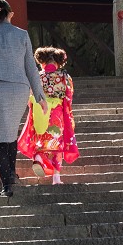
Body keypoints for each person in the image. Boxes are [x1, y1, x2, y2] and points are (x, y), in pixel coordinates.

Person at [0, 0, 48, 197]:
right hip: (20, 88)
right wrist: (40, 96)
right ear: (10, 13)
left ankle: (7, 185)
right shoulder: (22, 34)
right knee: (10, 134)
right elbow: (30, 66)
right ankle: (11, 175)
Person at [17, 46, 80, 185]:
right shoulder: (64, 77)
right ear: (57, 62)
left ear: (43, 62)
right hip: (57, 115)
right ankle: (56, 177)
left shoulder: (38, 77)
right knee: (57, 145)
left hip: (40, 111)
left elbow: (30, 97)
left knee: (40, 140)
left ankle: (39, 158)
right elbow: (68, 97)